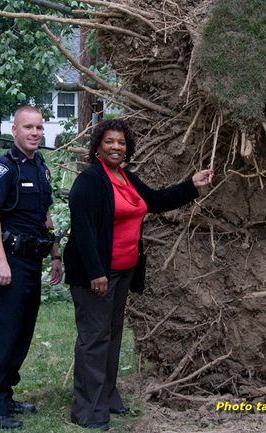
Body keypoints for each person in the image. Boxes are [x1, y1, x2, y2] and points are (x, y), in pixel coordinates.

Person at [64, 119, 213, 430]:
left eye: (121, 142)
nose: (116, 147)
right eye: (109, 142)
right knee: (94, 338)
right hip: (96, 274)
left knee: (112, 334)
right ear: (98, 147)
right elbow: (84, 232)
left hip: (122, 270)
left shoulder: (127, 178)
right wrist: (96, 272)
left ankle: (105, 396)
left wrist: (191, 184)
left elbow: (156, 201)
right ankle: (86, 410)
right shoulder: (90, 181)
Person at [0, 105, 62, 430]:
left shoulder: (40, 167)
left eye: (39, 127)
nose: (35, 133)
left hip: (31, 261)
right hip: (7, 261)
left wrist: (55, 254)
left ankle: (6, 394)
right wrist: (0, 259)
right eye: (28, 127)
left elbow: (45, 216)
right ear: (14, 130)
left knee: (23, 332)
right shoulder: (2, 167)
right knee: (5, 333)